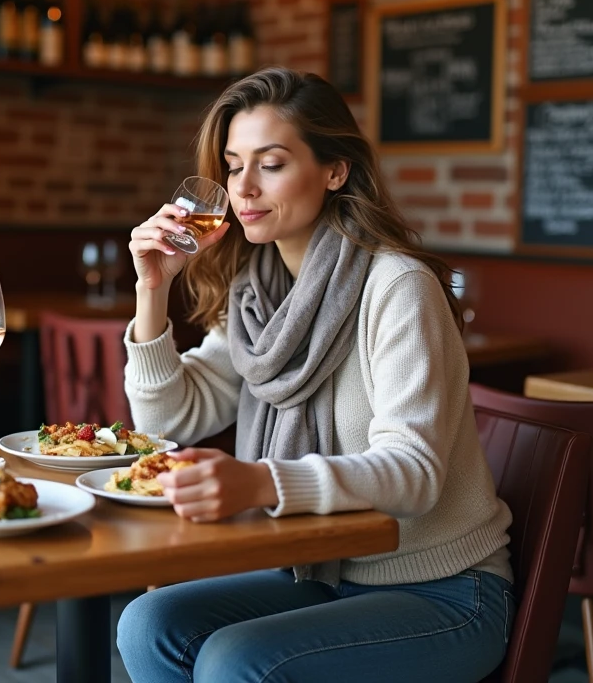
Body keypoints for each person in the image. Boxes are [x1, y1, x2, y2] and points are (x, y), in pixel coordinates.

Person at [117, 67, 515, 683]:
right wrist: (152, 290)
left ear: (335, 171)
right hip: (318, 570)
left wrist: (260, 483)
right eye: (233, 166)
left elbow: (414, 474)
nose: (244, 188)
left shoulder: (398, 287)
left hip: (444, 589)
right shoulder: (259, 291)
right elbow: (170, 420)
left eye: (271, 164)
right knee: (149, 623)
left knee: (235, 660)